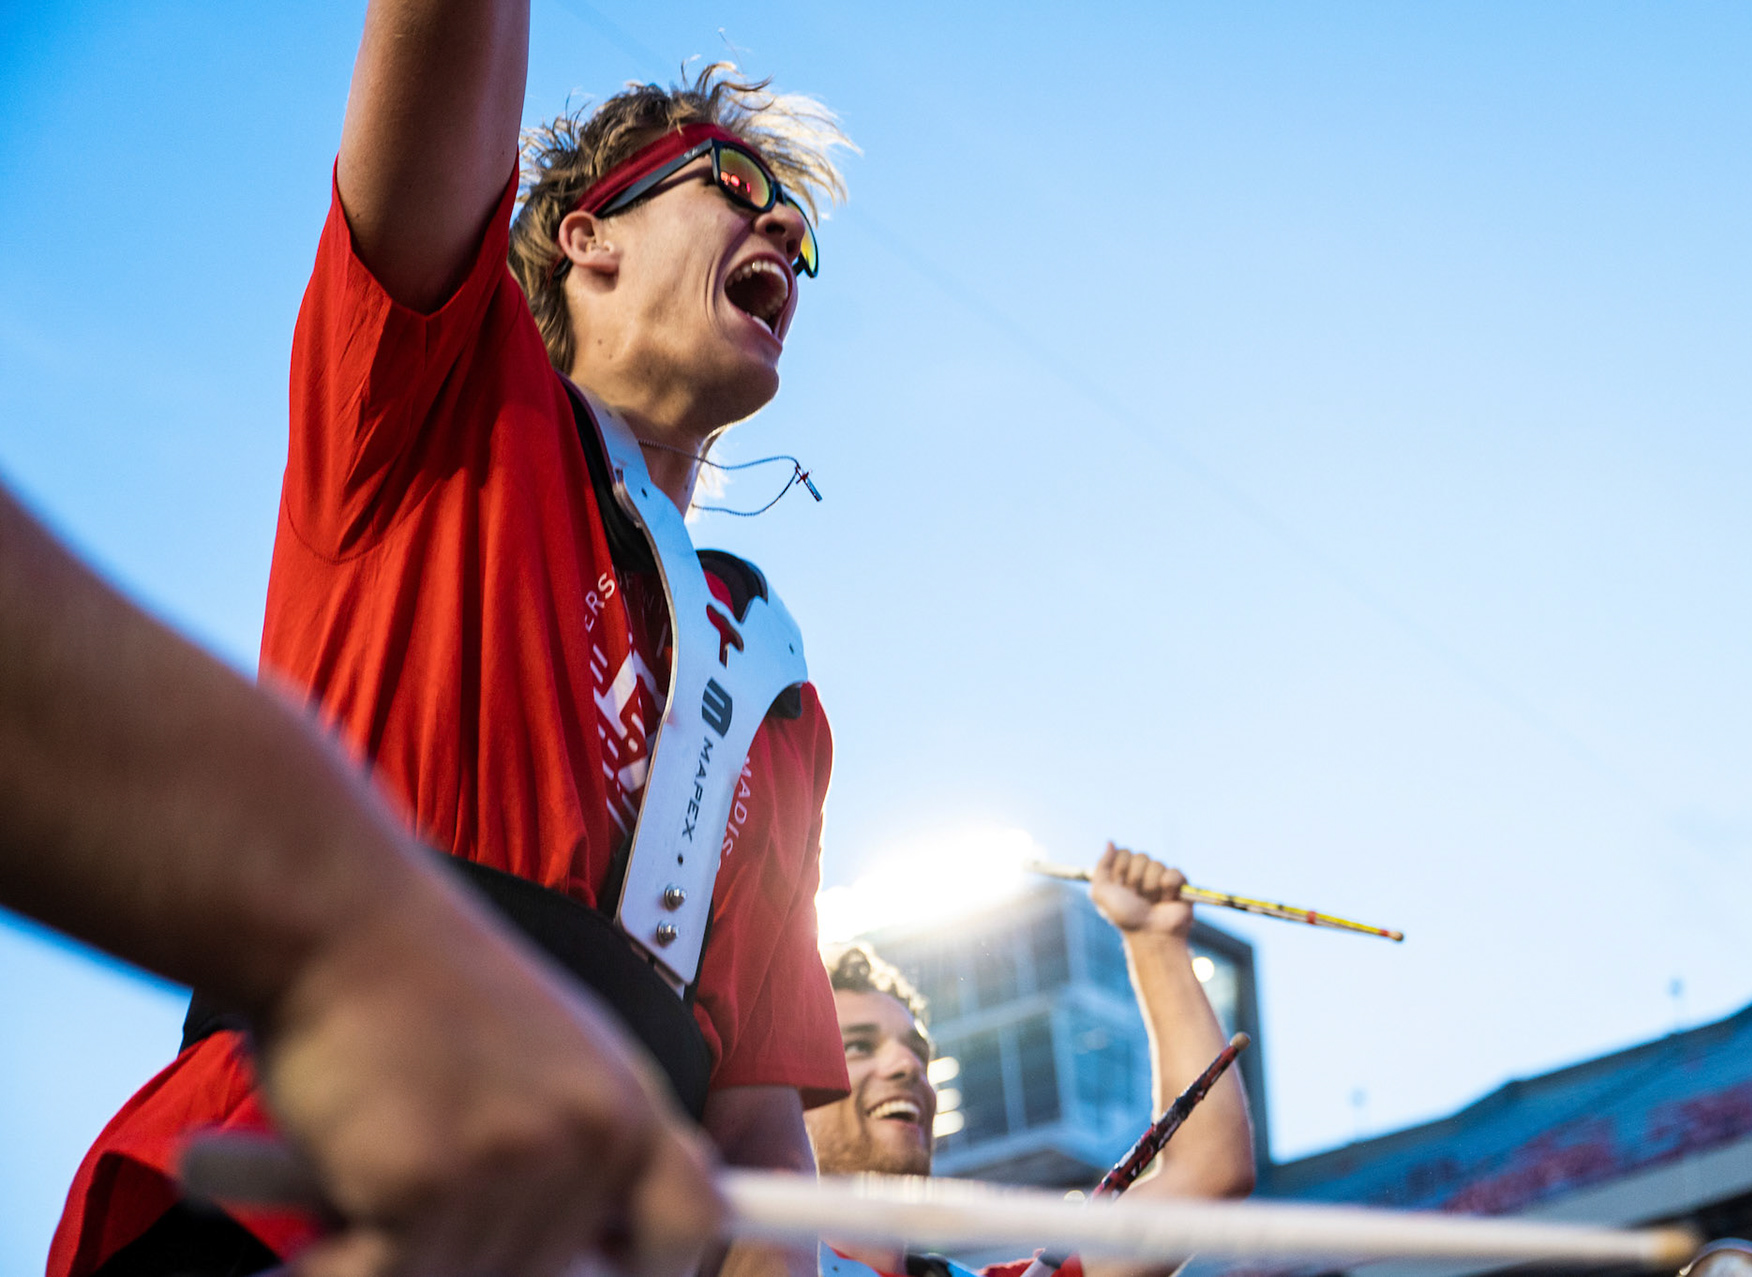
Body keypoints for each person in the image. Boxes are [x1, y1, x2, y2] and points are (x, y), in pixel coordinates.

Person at [53, 0, 853, 1271]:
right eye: (736, 183)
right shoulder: (432, 377)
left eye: (795, 230)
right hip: (305, 1192)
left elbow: (756, 1137)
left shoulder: (776, 699)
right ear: (586, 239)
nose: (786, 229)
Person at [0, 482, 719, 1277]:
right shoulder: (452, 409)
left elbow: (761, 1111)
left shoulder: (769, 693)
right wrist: (350, 938)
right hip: (302, 1152)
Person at [807, 845, 1258, 1277]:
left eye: (919, 1051)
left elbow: (1207, 1172)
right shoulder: (741, 1259)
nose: (906, 1065)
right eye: (858, 1046)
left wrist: (1154, 940)